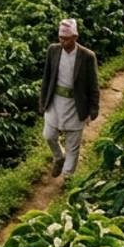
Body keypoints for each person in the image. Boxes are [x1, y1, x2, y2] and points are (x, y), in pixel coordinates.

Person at [40, 17, 99, 178]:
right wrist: (42, 101)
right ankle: (59, 157)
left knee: (73, 144)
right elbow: (47, 77)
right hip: (55, 100)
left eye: (66, 39)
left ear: (75, 37)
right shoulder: (53, 50)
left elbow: (93, 85)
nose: (63, 42)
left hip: (76, 104)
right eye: (60, 38)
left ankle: (68, 176)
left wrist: (93, 109)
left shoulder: (87, 56)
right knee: (49, 135)